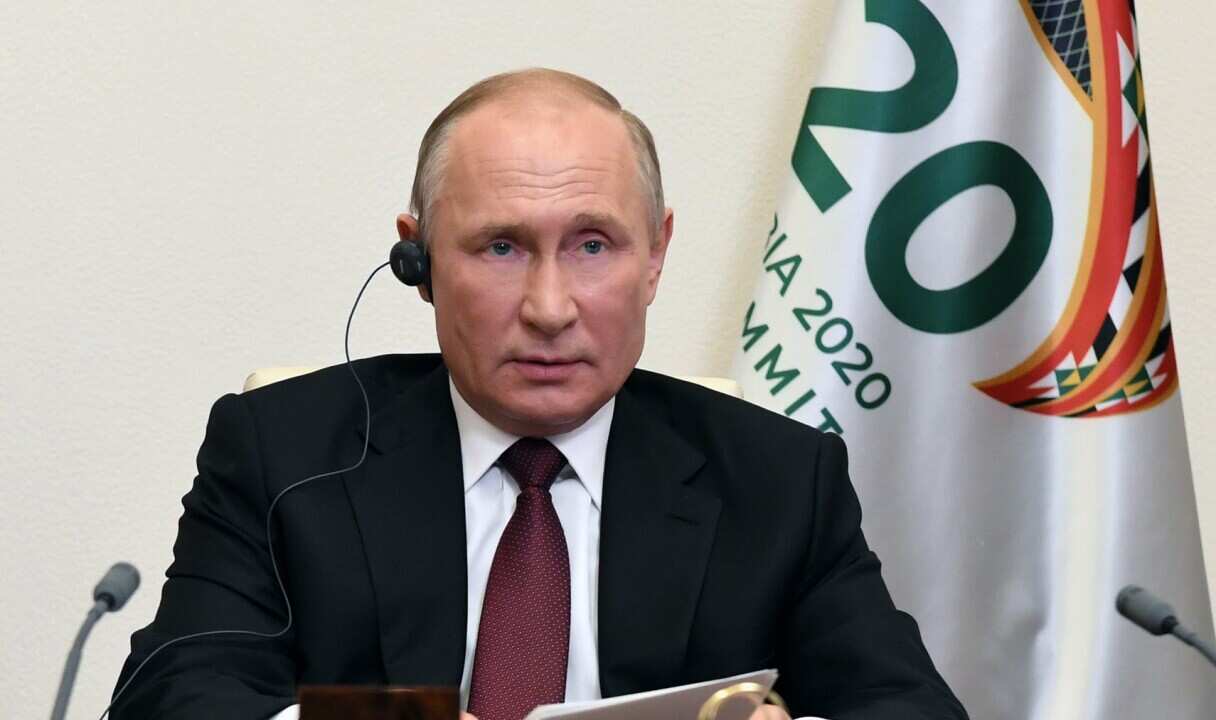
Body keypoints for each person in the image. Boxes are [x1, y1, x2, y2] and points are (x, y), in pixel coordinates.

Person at [113, 68, 967, 720]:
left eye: (593, 245)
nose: (550, 308)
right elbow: (172, 696)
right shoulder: (282, 452)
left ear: (657, 255)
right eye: (501, 248)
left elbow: (907, 708)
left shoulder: (779, 479)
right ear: (418, 260)